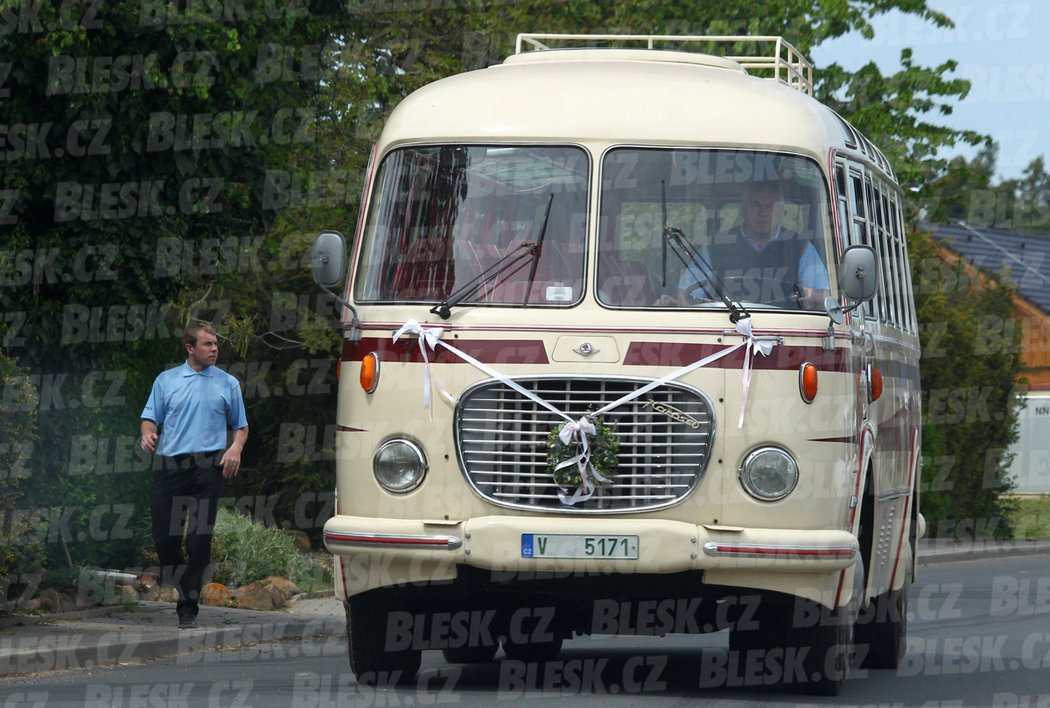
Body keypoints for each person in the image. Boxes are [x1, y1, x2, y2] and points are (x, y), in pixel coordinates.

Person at [140, 322, 248, 628]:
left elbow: (241, 426)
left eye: (215, 344)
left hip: (207, 467)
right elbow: (149, 418)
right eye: (207, 344)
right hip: (169, 466)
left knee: (200, 540)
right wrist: (147, 435)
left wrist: (235, 449)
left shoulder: (228, 384)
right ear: (190, 348)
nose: (214, 349)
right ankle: (186, 584)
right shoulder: (166, 380)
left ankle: (187, 606)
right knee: (164, 540)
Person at [672, 180, 831, 310]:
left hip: (785, 330)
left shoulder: (800, 247)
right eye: (755, 205)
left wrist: (812, 297)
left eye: (770, 206)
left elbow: (823, 296)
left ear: (781, 210)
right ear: (744, 208)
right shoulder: (715, 246)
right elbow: (685, 295)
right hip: (725, 327)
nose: (763, 213)